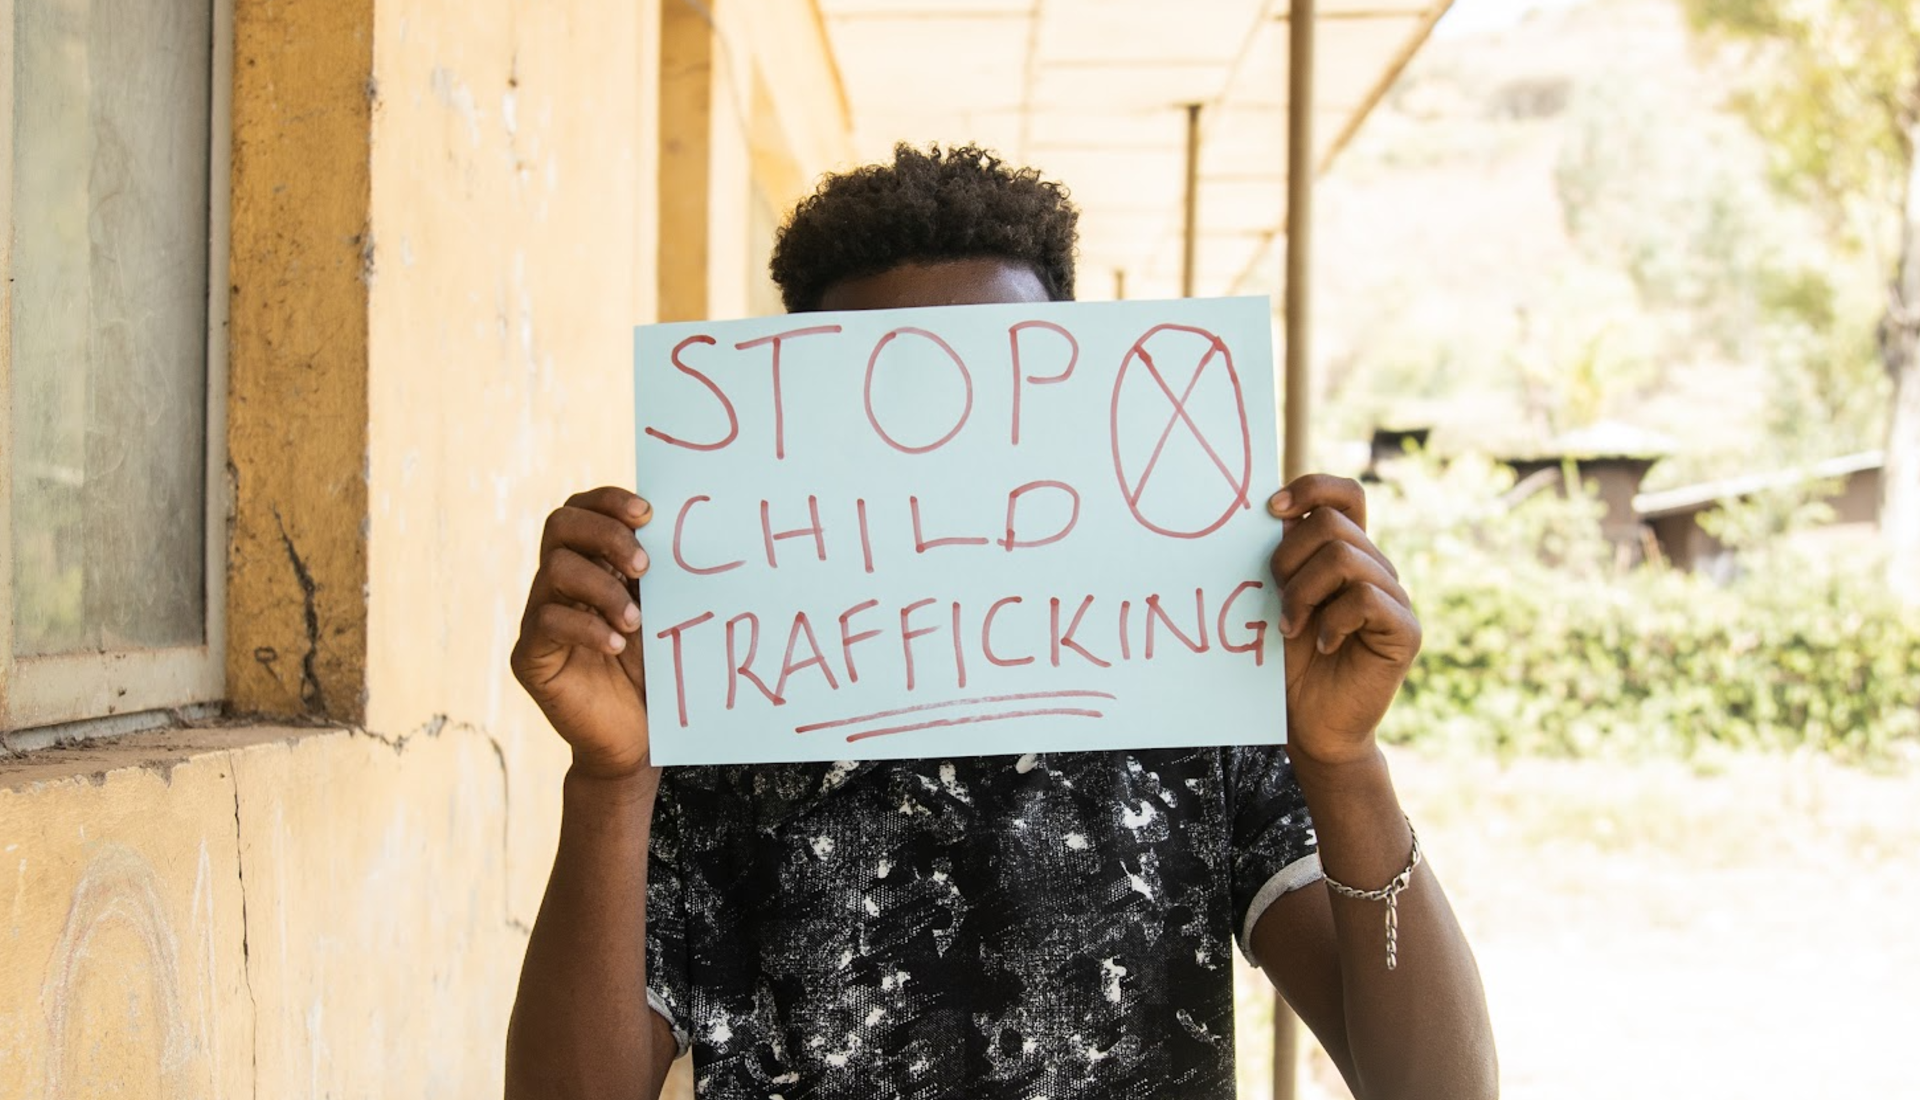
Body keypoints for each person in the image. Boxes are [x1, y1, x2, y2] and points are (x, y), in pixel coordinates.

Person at [504, 144, 1496, 1100]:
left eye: (1003, 396)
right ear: (797, 423)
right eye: (890, 409)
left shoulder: (1185, 690)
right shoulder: (720, 719)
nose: (953, 468)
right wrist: (611, 780)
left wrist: (1343, 760)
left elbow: (1436, 1088)